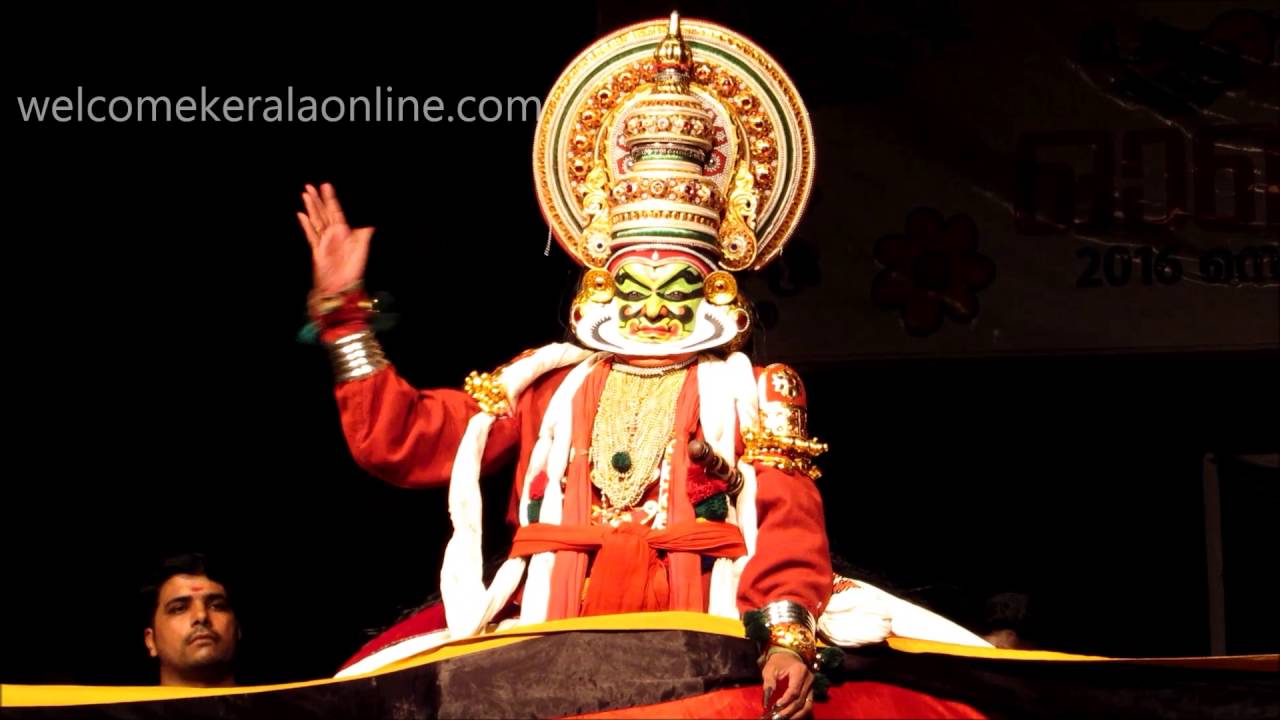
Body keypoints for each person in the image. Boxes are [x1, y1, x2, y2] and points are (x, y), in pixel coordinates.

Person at [300, 14, 827, 718]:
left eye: (677, 285)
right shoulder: (546, 382)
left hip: (704, 650)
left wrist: (786, 641)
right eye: (636, 284)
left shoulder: (756, 393)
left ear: (715, 290)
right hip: (551, 648)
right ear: (603, 286)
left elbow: (786, 524)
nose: (654, 307)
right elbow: (405, 440)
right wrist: (344, 318)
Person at [140, 552, 239, 687]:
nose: (201, 616)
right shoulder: (115, 708)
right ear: (151, 641)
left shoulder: (275, 707)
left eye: (217, 606)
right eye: (179, 608)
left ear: (238, 629)